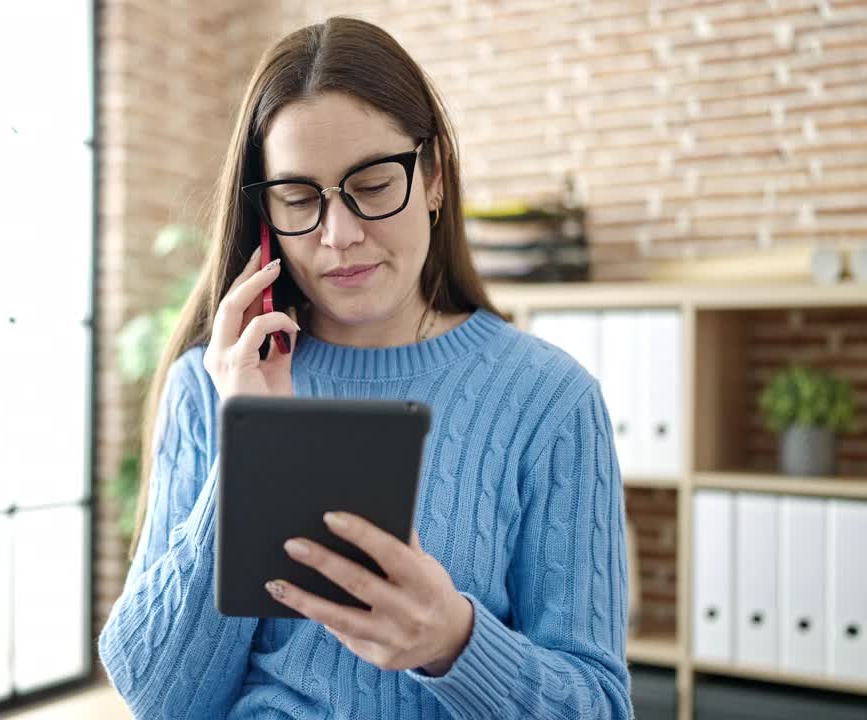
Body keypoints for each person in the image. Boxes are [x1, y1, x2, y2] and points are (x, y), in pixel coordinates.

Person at [99, 16, 632, 720]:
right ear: (264, 217)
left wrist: (453, 641)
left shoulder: (549, 400)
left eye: (373, 185)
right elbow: (159, 697)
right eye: (298, 199)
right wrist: (252, 436)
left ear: (434, 176)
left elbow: (598, 705)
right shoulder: (212, 383)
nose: (339, 235)